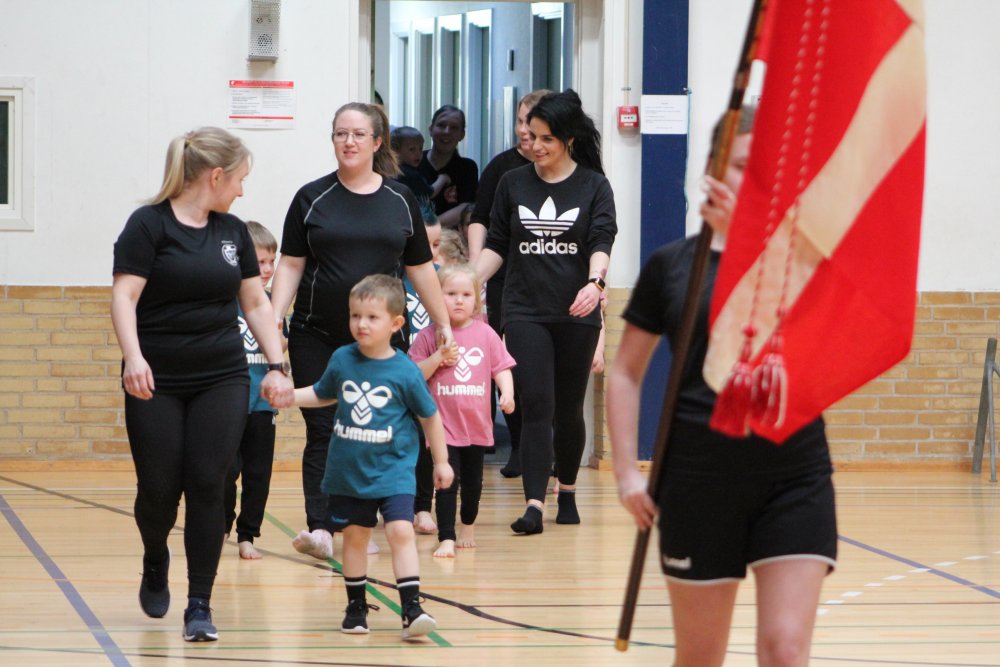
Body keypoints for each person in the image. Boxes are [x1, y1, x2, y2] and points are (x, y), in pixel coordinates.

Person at [607, 107, 837, 667]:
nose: (755, 178)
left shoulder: (804, 259)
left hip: (794, 476)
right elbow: (626, 372)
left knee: (785, 651)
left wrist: (755, 239)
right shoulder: (671, 267)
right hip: (696, 481)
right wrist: (627, 473)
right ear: (712, 169)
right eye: (741, 164)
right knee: (700, 656)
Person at [111, 126, 293, 642]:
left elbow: (255, 303)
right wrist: (133, 358)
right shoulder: (148, 225)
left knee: (211, 483)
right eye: (239, 180)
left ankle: (199, 603)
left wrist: (277, 365)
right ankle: (154, 556)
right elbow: (124, 297)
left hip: (222, 375)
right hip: (157, 378)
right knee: (159, 491)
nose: (242, 191)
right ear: (215, 176)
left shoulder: (233, 232)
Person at [270, 102, 453, 562]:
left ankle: (358, 522)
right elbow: (290, 263)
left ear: (376, 142)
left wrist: (443, 321)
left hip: (381, 345)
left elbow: (420, 267)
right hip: (316, 333)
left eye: (357, 134)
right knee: (322, 428)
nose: (348, 142)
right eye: (340, 134)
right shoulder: (311, 198)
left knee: (371, 429)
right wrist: (274, 317)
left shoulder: (400, 199)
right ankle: (322, 527)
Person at [473, 90, 617, 535]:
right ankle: (534, 504)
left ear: (568, 139)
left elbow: (601, 240)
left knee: (568, 410)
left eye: (546, 139)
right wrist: (469, 282)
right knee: (536, 404)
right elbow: (498, 243)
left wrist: (595, 284)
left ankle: (567, 489)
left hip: (576, 311)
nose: (535, 145)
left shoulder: (594, 185)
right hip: (524, 309)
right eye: (531, 136)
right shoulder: (512, 183)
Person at [290, 274, 454, 639]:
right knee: (356, 536)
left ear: (396, 324)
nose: (361, 324)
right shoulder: (341, 358)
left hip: (394, 470)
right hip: (349, 472)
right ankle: (356, 606)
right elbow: (323, 393)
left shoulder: (405, 370)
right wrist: (290, 395)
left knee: (400, 531)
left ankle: (411, 608)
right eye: (355, 315)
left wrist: (442, 461)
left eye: (371, 317)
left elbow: (430, 416)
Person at [468, 89, 549, 479]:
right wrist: (473, 275)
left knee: (545, 372)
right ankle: (518, 445)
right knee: (508, 363)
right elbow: (480, 220)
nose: (523, 131)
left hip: (551, 283)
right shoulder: (502, 168)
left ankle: (546, 447)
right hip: (504, 281)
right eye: (519, 121)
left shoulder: (576, 173)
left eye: (530, 123)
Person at [409, 263, 516, 558]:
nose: (459, 300)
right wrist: (437, 357)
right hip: (442, 428)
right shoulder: (428, 336)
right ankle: (446, 536)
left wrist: (507, 393)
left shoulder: (486, 334)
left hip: (477, 427)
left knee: (473, 485)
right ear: (436, 297)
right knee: (446, 482)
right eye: (451, 294)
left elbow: (501, 367)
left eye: (466, 295)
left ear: (476, 301)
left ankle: (467, 525)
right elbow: (414, 374)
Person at [223, 220, 285, 560]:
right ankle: (221, 525)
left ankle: (248, 534)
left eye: (271, 261)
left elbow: (282, 347)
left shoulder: (274, 303)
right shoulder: (226, 301)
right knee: (226, 471)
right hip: (230, 401)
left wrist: (280, 334)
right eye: (260, 261)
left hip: (262, 404)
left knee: (258, 474)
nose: (267, 269)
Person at [418, 105, 479, 230]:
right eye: (441, 125)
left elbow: (465, 208)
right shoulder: (412, 163)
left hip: (451, 238)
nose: (446, 131)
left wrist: (426, 229)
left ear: (462, 135)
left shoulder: (467, 168)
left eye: (454, 127)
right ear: (431, 129)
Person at [391, 125, 451, 218]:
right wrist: (442, 179)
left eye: (420, 149)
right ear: (395, 150)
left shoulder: (390, 168)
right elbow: (429, 193)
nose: (418, 154)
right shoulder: (410, 174)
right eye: (412, 149)